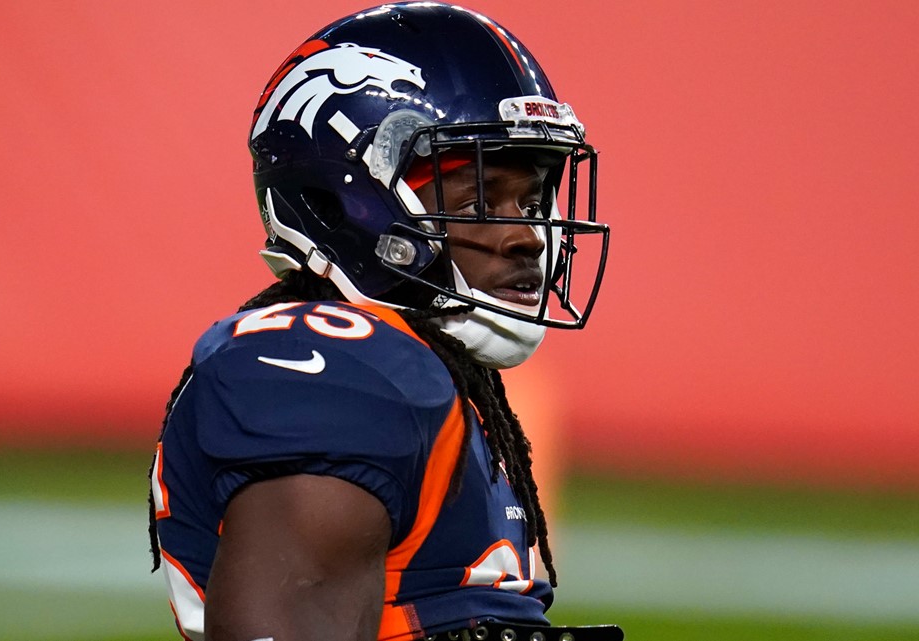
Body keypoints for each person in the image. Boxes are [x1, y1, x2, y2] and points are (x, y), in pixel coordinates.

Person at [147, 3, 618, 640]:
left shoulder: (432, 375)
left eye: (531, 198)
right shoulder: (330, 366)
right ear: (342, 200)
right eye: (479, 195)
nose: (527, 235)